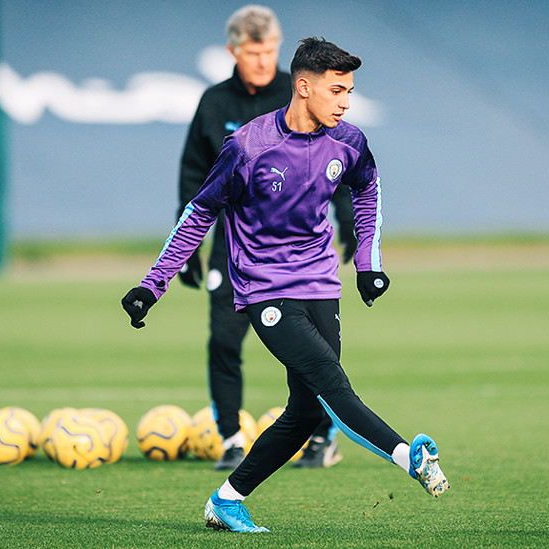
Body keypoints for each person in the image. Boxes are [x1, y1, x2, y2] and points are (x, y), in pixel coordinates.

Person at [123, 37, 448, 533]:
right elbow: (199, 214)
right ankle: (411, 457)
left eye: (350, 91)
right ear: (303, 87)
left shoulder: (351, 141)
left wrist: (367, 262)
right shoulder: (248, 147)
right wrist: (153, 285)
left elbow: (366, 193)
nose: (345, 101)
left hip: (320, 283)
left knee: (305, 410)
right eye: (337, 90)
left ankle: (226, 501)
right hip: (264, 287)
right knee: (331, 382)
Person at [177, 5, 355, 471]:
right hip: (236, 250)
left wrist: (350, 222)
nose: (262, 60)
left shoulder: (301, 91)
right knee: (223, 340)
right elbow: (195, 173)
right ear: (234, 51)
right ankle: (232, 438)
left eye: (270, 51)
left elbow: (333, 166)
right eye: (253, 52)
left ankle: (321, 437)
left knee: (312, 355)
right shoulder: (214, 103)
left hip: (300, 254)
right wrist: (187, 246)